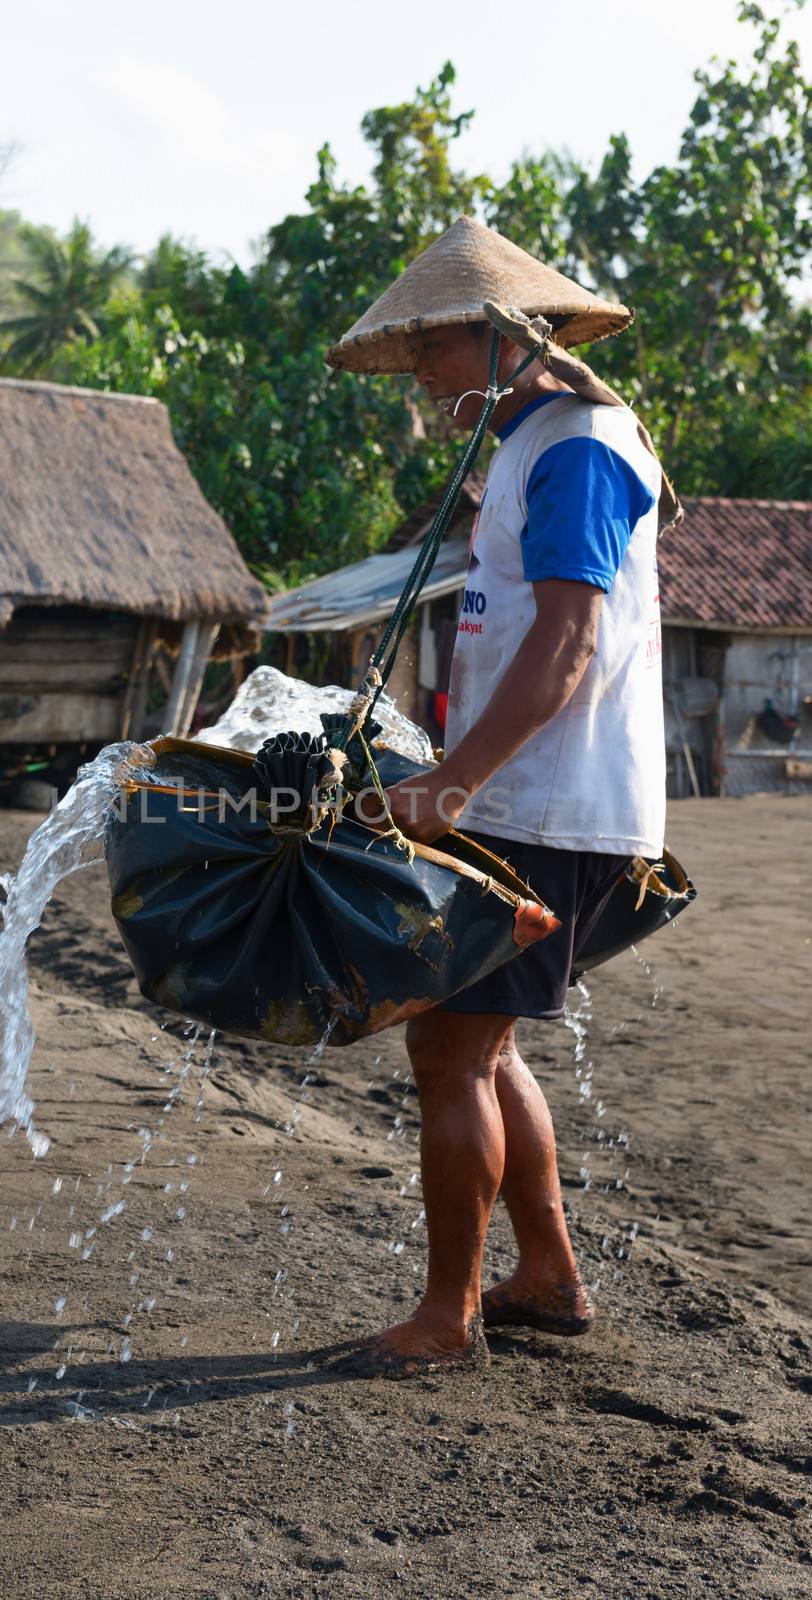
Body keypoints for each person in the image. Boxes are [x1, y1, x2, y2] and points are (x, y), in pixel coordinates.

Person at [324, 216, 669, 1373]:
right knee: (489, 1044)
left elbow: (569, 643)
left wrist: (455, 783)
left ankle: (446, 1314)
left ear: (505, 333)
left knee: (451, 1050)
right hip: (526, 794)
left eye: (433, 344)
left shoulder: (577, 445)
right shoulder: (536, 441)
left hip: (539, 801)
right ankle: (550, 1272)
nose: (418, 370)